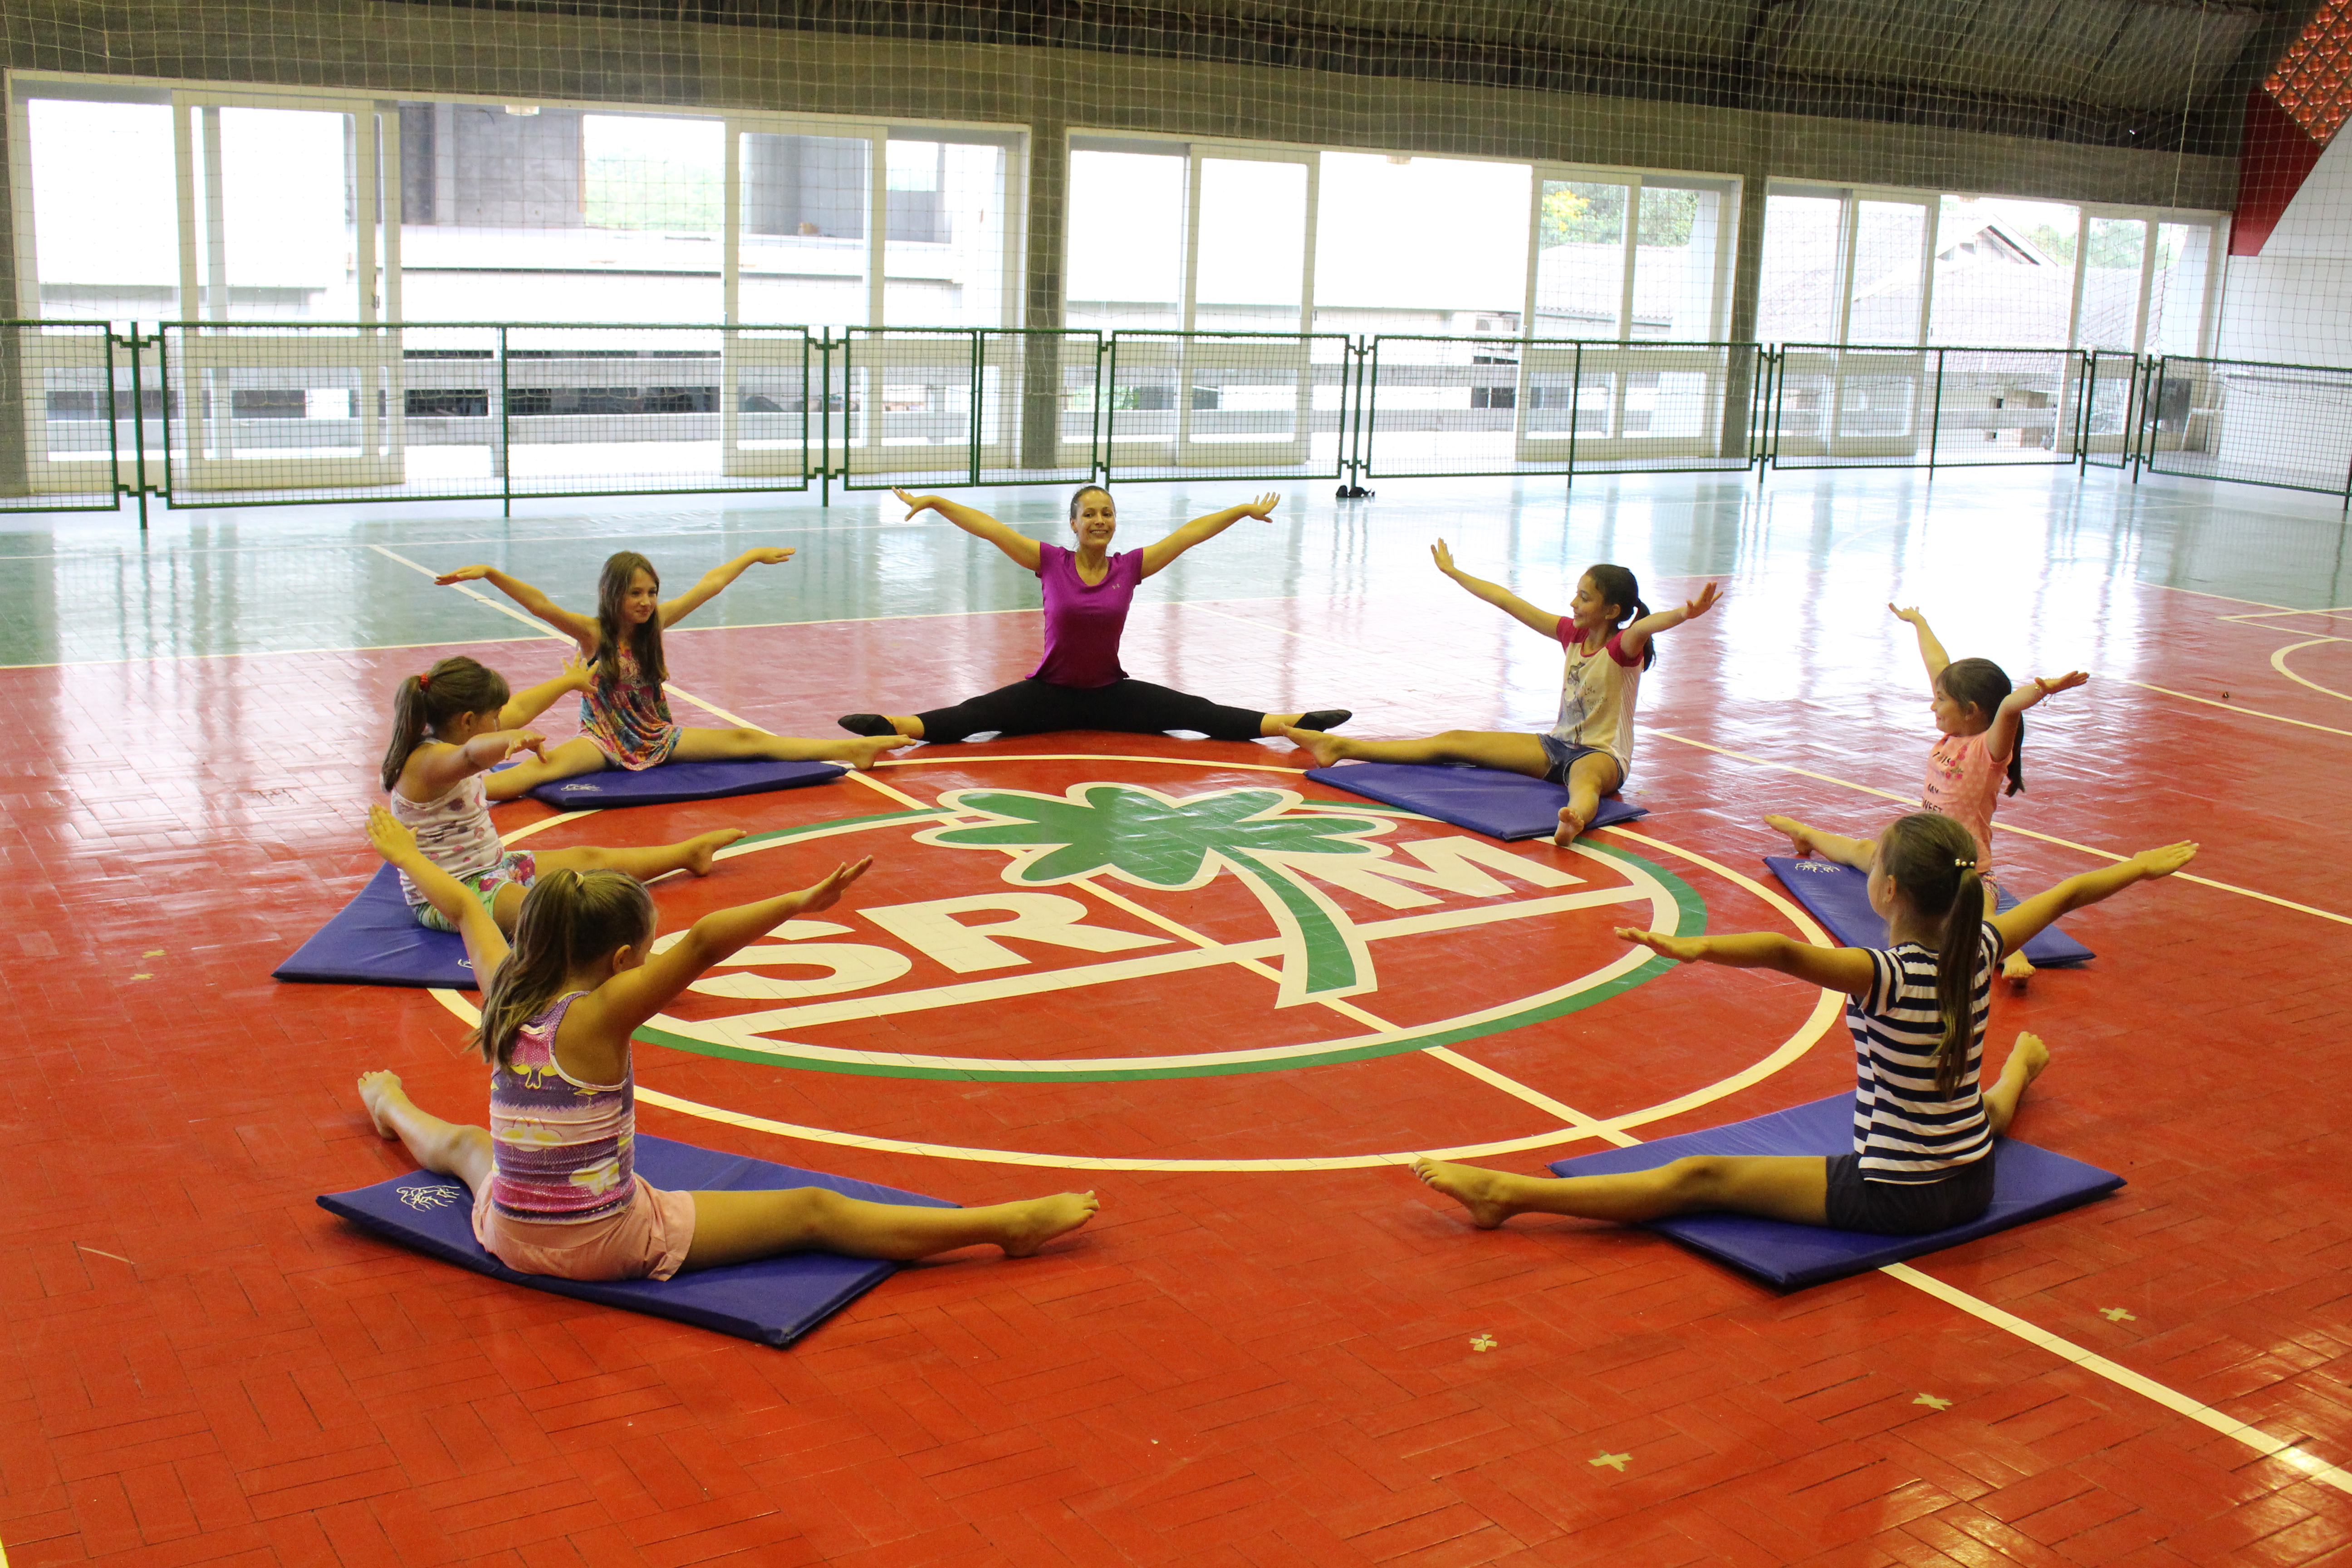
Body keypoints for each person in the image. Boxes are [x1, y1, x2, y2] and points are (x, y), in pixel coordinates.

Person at [354, 808, 1098, 1281]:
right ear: (620, 961)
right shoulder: (603, 1013)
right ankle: (1004, 1228)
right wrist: (800, 902)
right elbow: (708, 939)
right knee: (813, 1210)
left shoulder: (504, 985)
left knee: (462, 1146)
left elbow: (460, 902)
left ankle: (389, 1104)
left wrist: (402, 850)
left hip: (509, 1234)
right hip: (603, 1242)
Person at [1413, 813, 2197, 1237]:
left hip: (1899, 1196)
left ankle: (1504, 1196)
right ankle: (2020, 1068)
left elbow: (1783, 951)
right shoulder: (1982, 947)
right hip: (1971, 1181)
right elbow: (2064, 894)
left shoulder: (1886, 973)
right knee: (1974, 1112)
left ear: (1884, 890)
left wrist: (1695, 947)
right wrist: (2136, 867)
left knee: (1701, 1178)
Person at [836, 485, 1352, 745]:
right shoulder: (1049, 562)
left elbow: (1190, 534)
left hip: (1112, 695)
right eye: (1090, 514)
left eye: (1107, 513)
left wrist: (1240, 512)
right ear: (1074, 524)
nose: (1100, 520)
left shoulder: (1131, 567)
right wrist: (936, 502)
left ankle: (1292, 725)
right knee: (976, 715)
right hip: (1049, 695)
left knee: (1197, 711)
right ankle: (893, 726)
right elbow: (990, 528)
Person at [1287, 547, 1718, 845]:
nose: (1573, 603)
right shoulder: (1571, 634)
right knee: (1455, 741)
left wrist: (1686, 613)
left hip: (1603, 757)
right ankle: (1338, 746)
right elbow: (1507, 601)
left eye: (1584, 598)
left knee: (1584, 781)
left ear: (1612, 612)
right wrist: (1456, 574)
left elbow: (1647, 626)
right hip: (1554, 747)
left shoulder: (1622, 648)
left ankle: (1574, 821)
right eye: (1576, 593)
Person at [1765, 601, 2088, 985]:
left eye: (1941, 700)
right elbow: (1939, 664)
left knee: (1981, 915)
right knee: (1862, 852)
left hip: (1966, 870)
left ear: (1970, 711)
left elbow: (2008, 709)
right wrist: (1919, 622)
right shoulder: (1955, 732)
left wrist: (2040, 690)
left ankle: (2012, 951)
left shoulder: (1990, 750)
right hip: (1921, 855)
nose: (1932, 704)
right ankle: (1809, 835)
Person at [435, 549, 905, 798]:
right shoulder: (593, 633)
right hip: (602, 738)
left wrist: (750, 557)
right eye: (636, 593)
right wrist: (492, 573)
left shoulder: (655, 624)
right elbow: (540, 603)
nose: (646, 602)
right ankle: (444, 793)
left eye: (653, 592)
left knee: (745, 741)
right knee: (535, 774)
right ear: (612, 594)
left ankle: (851, 748)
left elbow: (709, 586)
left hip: (656, 736)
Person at [381, 654, 745, 934]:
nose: (503, 721)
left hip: (493, 868)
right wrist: (507, 740)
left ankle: (686, 854)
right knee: (545, 913)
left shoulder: (459, 731)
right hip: (450, 894)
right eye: (495, 718)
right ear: (467, 720)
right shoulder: (427, 762)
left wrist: (569, 682)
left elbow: (520, 709)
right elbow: (470, 755)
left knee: (587, 857)